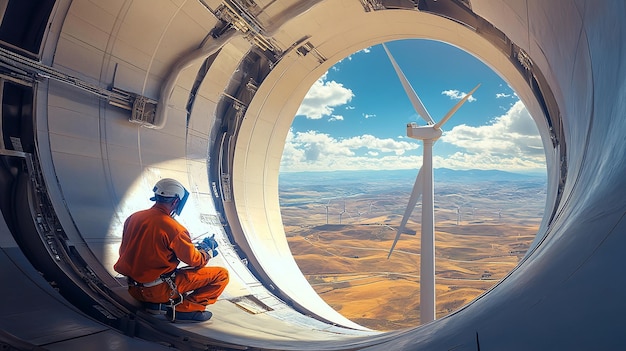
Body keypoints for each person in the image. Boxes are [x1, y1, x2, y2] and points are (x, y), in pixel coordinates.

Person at [114, 178, 229, 322]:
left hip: (134, 290)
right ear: (175, 202)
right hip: (157, 291)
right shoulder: (174, 228)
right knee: (222, 275)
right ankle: (186, 310)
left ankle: (154, 302)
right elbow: (196, 261)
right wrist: (207, 251)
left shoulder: (134, 217)